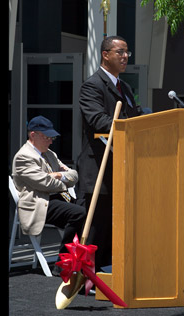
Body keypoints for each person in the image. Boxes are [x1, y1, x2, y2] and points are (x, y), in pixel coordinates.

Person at [76, 35, 143, 272]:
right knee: (96, 224)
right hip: (98, 168)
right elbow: (98, 120)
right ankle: (83, 274)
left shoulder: (124, 87)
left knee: (115, 224)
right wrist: (129, 124)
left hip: (121, 165)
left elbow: (133, 116)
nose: (125, 57)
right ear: (106, 55)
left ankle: (107, 271)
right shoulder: (92, 85)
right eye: (120, 52)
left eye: (127, 53)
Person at [12, 115, 86, 276]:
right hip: (39, 203)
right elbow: (45, 184)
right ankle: (63, 263)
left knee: (91, 209)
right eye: (47, 137)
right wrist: (62, 180)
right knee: (79, 214)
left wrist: (58, 176)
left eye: (52, 137)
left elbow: (74, 174)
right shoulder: (24, 156)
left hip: (56, 198)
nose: (51, 141)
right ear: (33, 135)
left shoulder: (49, 153)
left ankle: (81, 260)